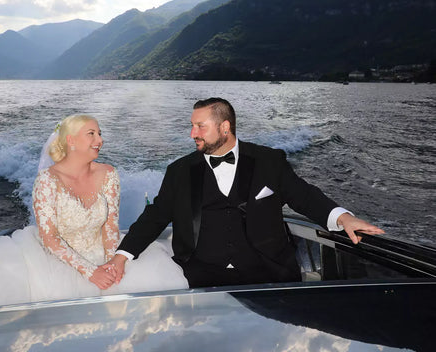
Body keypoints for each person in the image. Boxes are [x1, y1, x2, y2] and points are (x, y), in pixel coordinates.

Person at [107, 97, 384, 288]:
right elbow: (155, 216)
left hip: (269, 274)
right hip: (200, 277)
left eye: (200, 126)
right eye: (192, 126)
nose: (193, 133)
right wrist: (123, 255)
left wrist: (343, 218)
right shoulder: (180, 170)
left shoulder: (269, 161)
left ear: (225, 127)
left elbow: (304, 195)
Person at [0, 115, 187, 312]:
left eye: (100, 133)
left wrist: (112, 264)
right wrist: (91, 272)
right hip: (55, 258)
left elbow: (110, 226)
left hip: (103, 252)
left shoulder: (109, 173)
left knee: (155, 284)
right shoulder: (47, 180)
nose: (99, 139)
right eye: (91, 133)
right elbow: (49, 238)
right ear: (70, 141)